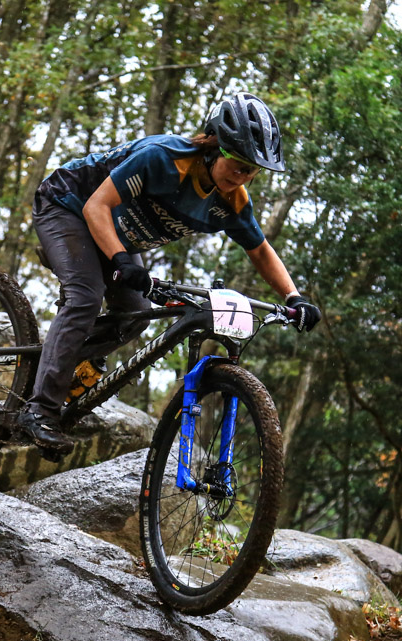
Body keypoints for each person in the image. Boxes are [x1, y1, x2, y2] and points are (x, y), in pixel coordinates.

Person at [20, 92, 322, 454]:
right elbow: (97, 206)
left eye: (252, 171)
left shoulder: (233, 201)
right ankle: (39, 411)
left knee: (135, 317)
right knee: (85, 296)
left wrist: (294, 297)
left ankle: (50, 367)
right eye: (239, 164)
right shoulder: (163, 159)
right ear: (214, 146)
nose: (244, 176)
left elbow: (258, 249)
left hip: (114, 235)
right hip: (68, 205)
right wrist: (121, 259)